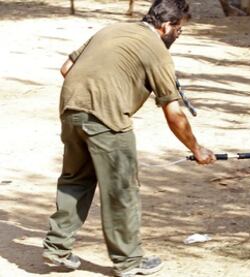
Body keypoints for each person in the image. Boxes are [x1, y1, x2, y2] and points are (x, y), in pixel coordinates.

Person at [42, 0, 216, 276]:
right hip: (108, 119)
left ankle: (57, 247)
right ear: (166, 26)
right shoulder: (156, 50)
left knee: (75, 180)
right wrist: (196, 148)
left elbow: (66, 68)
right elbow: (174, 114)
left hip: (71, 109)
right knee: (121, 190)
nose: (177, 36)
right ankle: (129, 262)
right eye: (179, 31)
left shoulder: (111, 29)